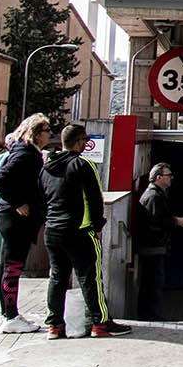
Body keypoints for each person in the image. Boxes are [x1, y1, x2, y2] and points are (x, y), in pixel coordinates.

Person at [42, 122, 130, 338]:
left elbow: (41, 197)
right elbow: (94, 199)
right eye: (85, 141)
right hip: (79, 231)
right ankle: (100, 324)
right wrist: (98, 227)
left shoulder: (46, 167)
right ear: (79, 141)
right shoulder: (83, 165)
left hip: (53, 231)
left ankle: (54, 325)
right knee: (90, 278)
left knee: (57, 277)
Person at [0, 114, 51, 334]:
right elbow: (0, 179)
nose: (50, 134)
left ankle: (6, 313)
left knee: (6, 266)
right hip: (16, 219)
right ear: (35, 132)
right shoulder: (26, 154)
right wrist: (18, 203)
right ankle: (10, 315)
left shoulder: (21, 151)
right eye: (46, 130)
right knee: (13, 267)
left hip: (10, 217)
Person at [136, 162, 183, 320]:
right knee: (153, 282)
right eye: (168, 175)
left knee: (152, 281)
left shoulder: (156, 194)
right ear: (159, 177)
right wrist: (176, 221)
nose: (171, 178)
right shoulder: (154, 197)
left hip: (154, 246)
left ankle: (149, 313)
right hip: (153, 247)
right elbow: (157, 220)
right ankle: (150, 316)